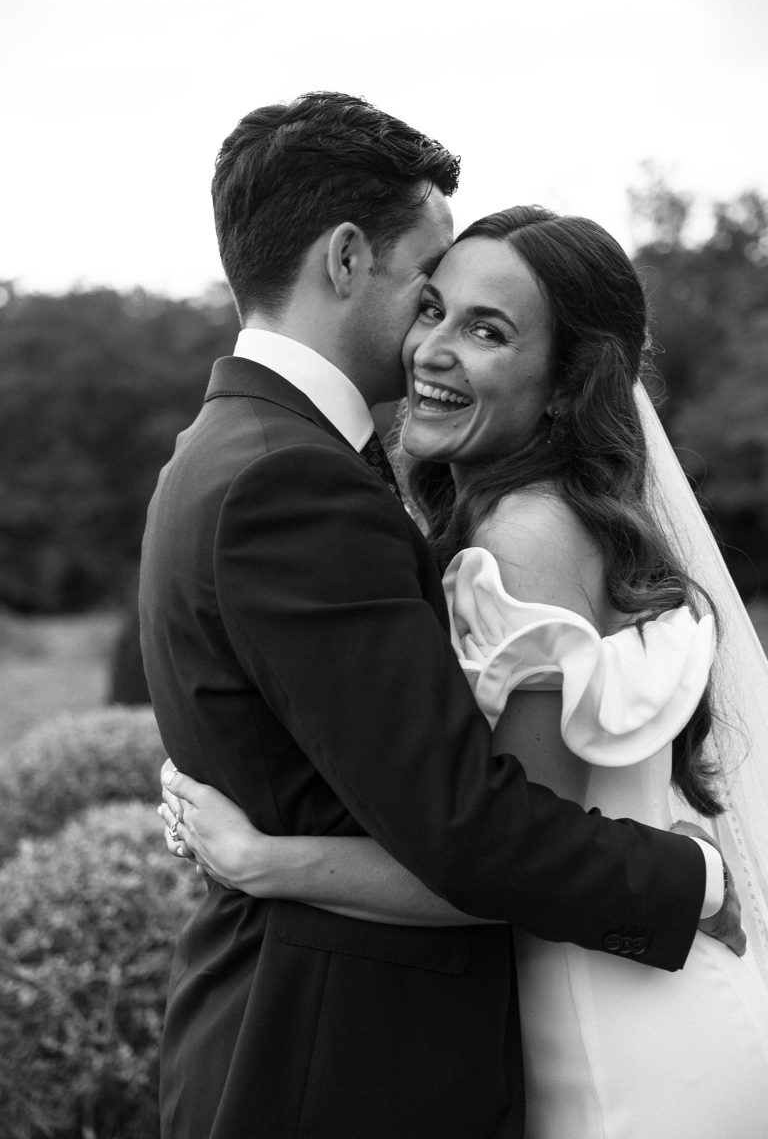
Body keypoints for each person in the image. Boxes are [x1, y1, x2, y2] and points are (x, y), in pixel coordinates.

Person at [140, 95, 740, 1139]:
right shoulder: (296, 485)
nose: (431, 333)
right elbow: (464, 825)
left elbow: (455, 820)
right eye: (429, 288)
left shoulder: (222, 454)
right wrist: (688, 878)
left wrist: (258, 855)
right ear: (342, 260)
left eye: (481, 323)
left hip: (319, 1037)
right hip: (334, 1059)